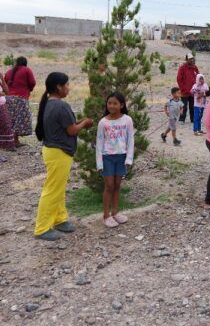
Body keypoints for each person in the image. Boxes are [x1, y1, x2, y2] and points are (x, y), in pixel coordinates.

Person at [34, 72, 93, 241]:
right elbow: (72, 130)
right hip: (59, 153)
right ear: (59, 87)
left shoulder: (50, 104)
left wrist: (78, 122)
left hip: (52, 150)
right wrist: (85, 123)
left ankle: (60, 219)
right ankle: (42, 228)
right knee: (52, 190)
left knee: (58, 188)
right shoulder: (61, 106)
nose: (69, 87)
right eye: (66, 84)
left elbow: (66, 125)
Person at [95, 92, 135, 228]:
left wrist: (129, 158)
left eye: (115, 103)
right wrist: (99, 163)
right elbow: (99, 143)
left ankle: (115, 212)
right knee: (109, 186)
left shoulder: (127, 120)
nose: (111, 105)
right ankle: (106, 215)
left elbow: (131, 140)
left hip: (121, 157)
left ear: (122, 105)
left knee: (118, 185)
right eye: (109, 103)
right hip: (107, 158)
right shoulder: (103, 122)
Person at [4, 56, 36, 148]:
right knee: (19, 120)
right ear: (25, 63)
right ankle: (14, 142)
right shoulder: (27, 70)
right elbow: (32, 82)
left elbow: (5, 83)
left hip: (8, 98)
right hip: (20, 99)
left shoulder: (9, 71)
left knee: (11, 120)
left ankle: (12, 141)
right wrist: (29, 89)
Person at [176, 53, 199, 123]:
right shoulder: (182, 68)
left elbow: (198, 77)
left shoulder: (195, 67)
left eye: (192, 59)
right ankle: (181, 119)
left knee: (192, 106)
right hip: (184, 91)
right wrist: (183, 88)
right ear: (187, 60)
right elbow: (179, 79)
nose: (191, 60)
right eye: (190, 59)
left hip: (193, 91)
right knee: (184, 106)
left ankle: (193, 119)